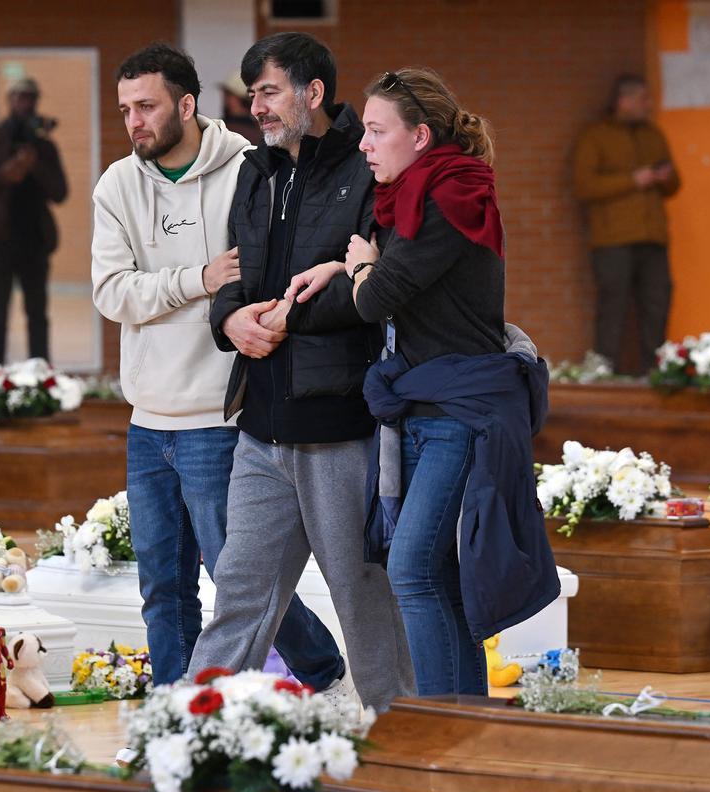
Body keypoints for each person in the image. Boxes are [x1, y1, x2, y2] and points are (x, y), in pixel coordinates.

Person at [287, 67, 560, 696]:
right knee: (432, 572)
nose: (363, 143)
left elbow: (377, 295)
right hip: (426, 404)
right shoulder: (420, 193)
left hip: (457, 411)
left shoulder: (448, 198)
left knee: (412, 569)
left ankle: (438, 735)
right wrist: (347, 264)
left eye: (377, 131)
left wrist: (358, 268)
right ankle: (464, 733)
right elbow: (386, 276)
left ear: (421, 136)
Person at [90, 42, 344, 692]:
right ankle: (177, 711)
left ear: (185, 103)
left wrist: (217, 295)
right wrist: (195, 280)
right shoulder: (117, 185)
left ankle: (318, 666)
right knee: (162, 585)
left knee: (237, 580)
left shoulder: (246, 170)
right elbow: (112, 293)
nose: (134, 122)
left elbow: (255, 280)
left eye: (145, 107)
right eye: (124, 110)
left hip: (219, 414)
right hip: (148, 418)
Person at [185, 32, 415, 712]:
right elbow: (235, 273)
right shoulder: (255, 173)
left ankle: (401, 732)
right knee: (238, 595)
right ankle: (194, 730)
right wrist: (229, 320)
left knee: (362, 596)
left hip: (340, 427)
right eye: (251, 92)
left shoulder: (365, 169)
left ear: (312, 93)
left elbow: (376, 286)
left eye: (269, 91)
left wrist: (290, 317)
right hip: (261, 428)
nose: (255, 105)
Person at [573, 74, 680, 375]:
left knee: (657, 304)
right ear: (624, 100)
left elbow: (675, 186)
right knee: (613, 309)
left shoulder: (652, 135)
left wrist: (665, 176)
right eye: (643, 99)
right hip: (613, 240)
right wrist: (633, 180)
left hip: (653, 237)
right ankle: (604, 374)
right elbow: (584, 186)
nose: (649, 105)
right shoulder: (595, 136)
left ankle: (654, 373)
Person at [0, 77, 68, 364]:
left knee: (37, 314)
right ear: (9, 99)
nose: (24, 103)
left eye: (29, 97)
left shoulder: (43, 146)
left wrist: (34, 165)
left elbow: (60, 192)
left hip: (34, 239)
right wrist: (3, 174)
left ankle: (41, 376)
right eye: (19, 97)